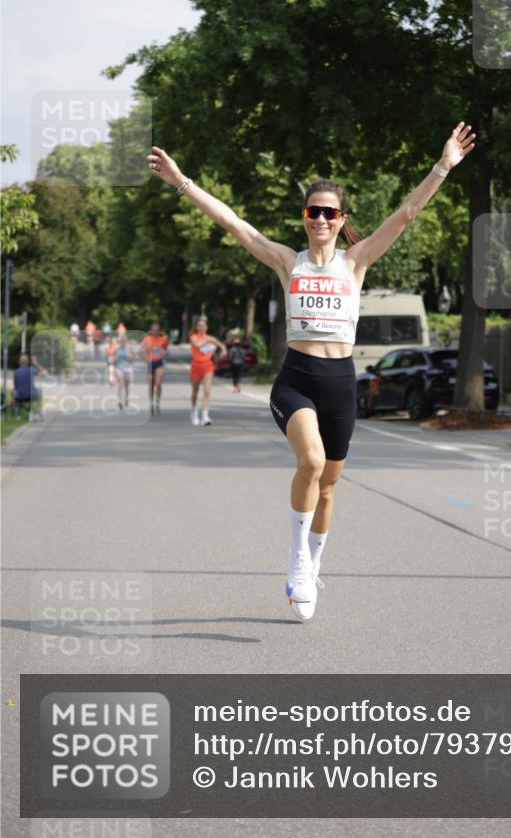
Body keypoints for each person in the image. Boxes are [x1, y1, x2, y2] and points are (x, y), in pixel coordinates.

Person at [147, 122, 475, 621]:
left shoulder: (356, 261)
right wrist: (181, 181)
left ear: (341, 219)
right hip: (297, 380)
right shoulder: (286, 262)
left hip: (340, 382)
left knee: (327, 487)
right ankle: (297, 559)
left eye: (329, 212)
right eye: (312, 211)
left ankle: (314, 563)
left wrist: (443, 165)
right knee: (312, 462)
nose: (320, 218)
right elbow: (234, 223)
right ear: (305, 218)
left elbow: (406, 214)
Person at [189, 317, 226, 426]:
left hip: (207, 366)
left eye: (203, 326)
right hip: (195, 367)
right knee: (195, 392)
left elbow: (222, 346)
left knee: (207, 391)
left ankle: (205, 416)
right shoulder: (193, 337)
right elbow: (198, 345)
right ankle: (194, 412)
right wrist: (209, 340)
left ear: (206, 327)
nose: (201, 327)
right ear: (196, 328)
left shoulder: (211, 338)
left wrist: (223, 351)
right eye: (199, 326)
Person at [140, 322, 169, 415]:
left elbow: (166, 349)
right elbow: (141, 350)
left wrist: (166, 352)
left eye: (157, 330)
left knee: (158, 384)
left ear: (159, 331)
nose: (155, 332)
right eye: (154, 330)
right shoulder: (147, 339)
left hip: (159, 362)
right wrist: (144, 350)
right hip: (149, 362)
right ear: (151, 331)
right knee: (151, 385)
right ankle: (151, 403)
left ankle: (157, 402)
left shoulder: (163, 339)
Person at [12, 353, 47, 419]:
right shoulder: (31, 370)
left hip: (19, 396)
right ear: (28, 362)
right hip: (31, 395)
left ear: (19, 362)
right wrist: (35, 362)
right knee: (39, 390)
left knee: (14, 392)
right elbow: (44, 374)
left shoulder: (16, 372)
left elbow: (15, 386)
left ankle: (16, 413)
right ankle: (38, 409)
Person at [114, 333, 134, 411]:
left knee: (126, 386)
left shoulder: (128, 348)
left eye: (123, 340)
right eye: (121, 340)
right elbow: (113, 359)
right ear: (119, 341)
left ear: (126, 341)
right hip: (119, 368)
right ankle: (120, 401)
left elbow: (132, 359)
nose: (122, 341)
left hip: (128, 369)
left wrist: (130, 356)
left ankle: (126, 399)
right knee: (121, 385)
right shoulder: (116, 348)